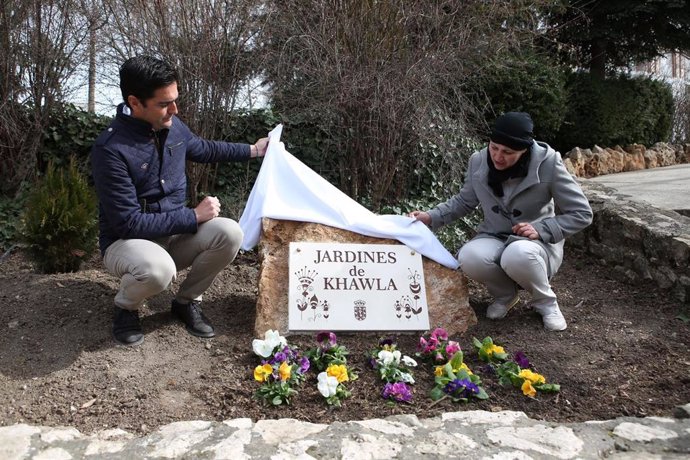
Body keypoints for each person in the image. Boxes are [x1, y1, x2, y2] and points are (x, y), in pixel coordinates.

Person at [91, 55, 268, 346]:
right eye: (164, 103)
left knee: (230, 233)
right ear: (135, 103)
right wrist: (193, 217)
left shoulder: (173, 125)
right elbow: (128, 223)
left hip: (173, 236)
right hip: (126, 244)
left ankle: (185, 302)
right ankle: (126, 307)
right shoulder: (110, 150)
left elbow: (205, 149)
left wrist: (255, 150)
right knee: (157, 270)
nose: (175, 109)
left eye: (174, 99)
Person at [410, 112, 592, 331]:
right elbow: (464, 201)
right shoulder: (478, 161)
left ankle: (546, 303)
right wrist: (430, 216)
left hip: (536, 244)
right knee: (469, 256)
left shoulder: (549, 163)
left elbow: (581, 213)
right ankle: (505, 296)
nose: (497, 156)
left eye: (508, 152)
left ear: (524, 150)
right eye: (494, 147)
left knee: (518, 254)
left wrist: (541, 228)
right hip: (494, 236)